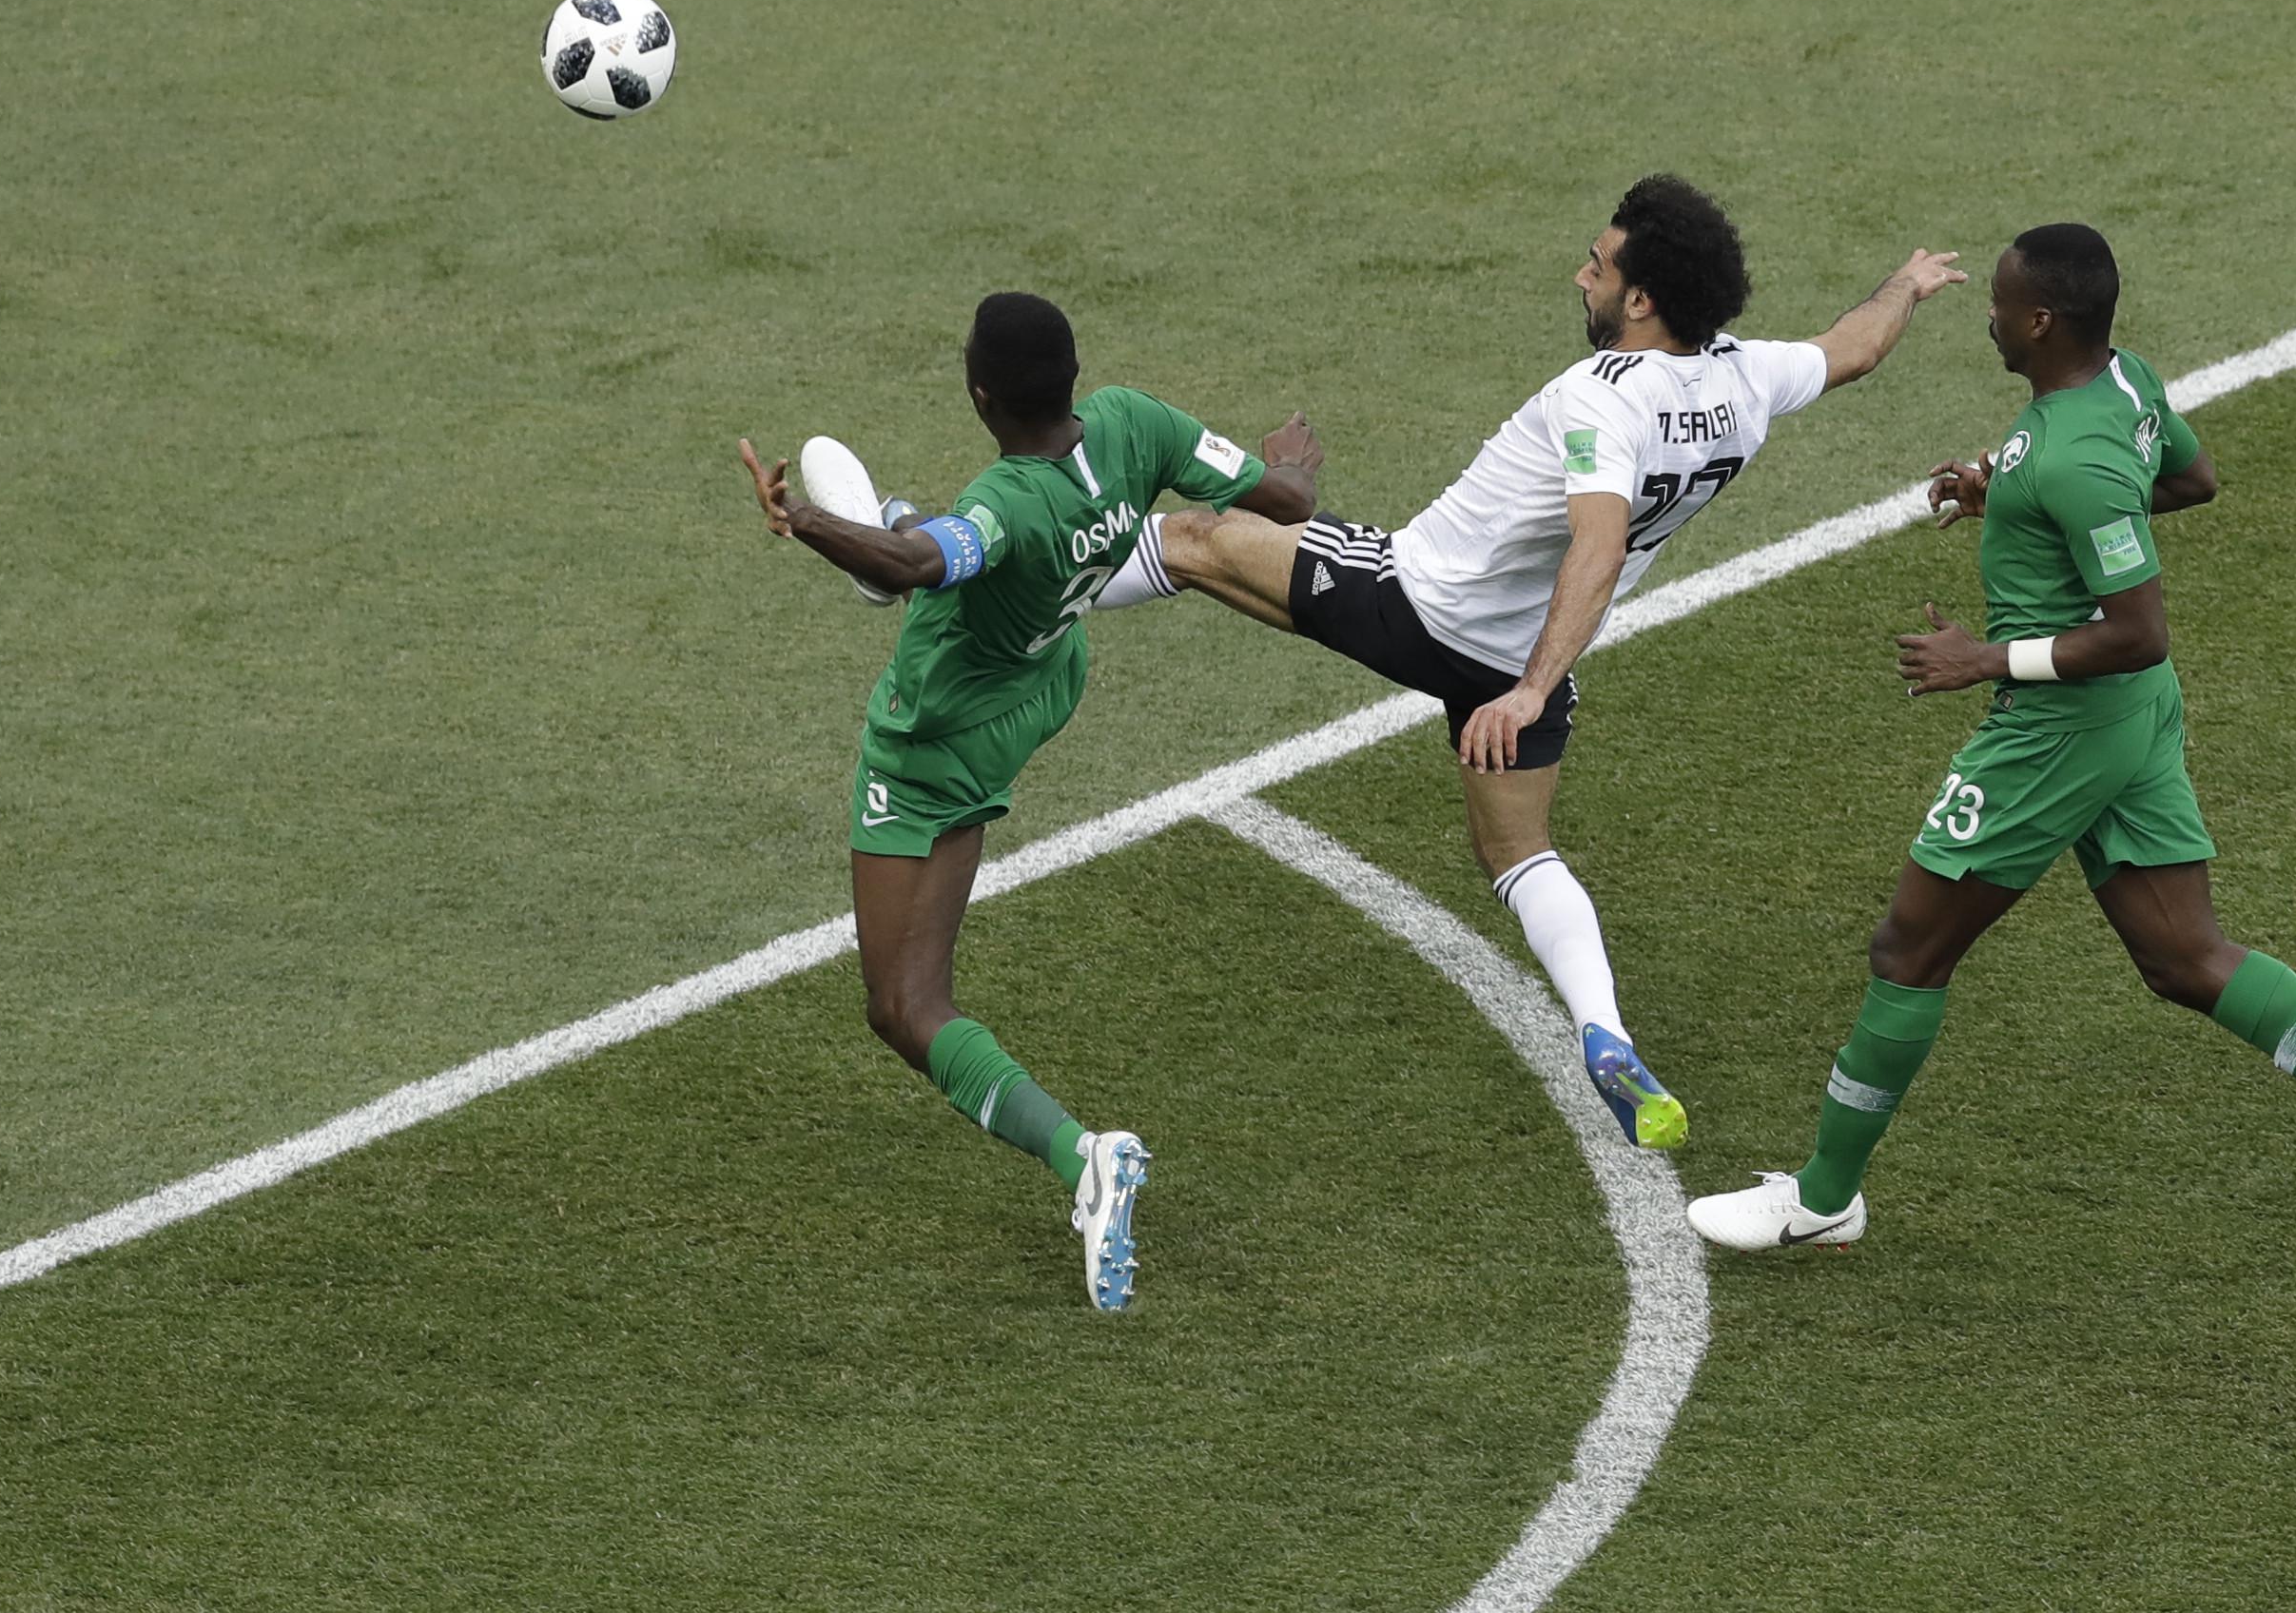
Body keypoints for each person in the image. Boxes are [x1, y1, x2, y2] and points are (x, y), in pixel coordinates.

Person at [1108, 176, 1966, 1150]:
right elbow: (1851, 346)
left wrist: (1521, 690)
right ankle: (1606, 1032)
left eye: (1597, 266)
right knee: (1517, 852)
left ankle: (968, 566)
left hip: (1419, 604)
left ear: (1639, 299)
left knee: (1193, 537)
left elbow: (1595, 545)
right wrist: (1904, 284)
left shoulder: (1596, 399)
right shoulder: (1739, 379)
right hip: (1523, 660)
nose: (1580, 274)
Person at [1685, 223, 2296, 1253]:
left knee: (1908, 947)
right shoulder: (2118, 384)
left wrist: (1986, 658)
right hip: (2129, 717)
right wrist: (1999, 489)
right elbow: (2191, 480)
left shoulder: (2071, 456)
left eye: (1999, 303)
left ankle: (1823, 1195)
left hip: (2058, 728)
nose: (1988, 316)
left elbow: (2133, 626)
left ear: (2037, 320)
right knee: (2182, 956)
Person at [741, 290, 1318, 1311]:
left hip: (933, 738)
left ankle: (1082, 1154)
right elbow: (1279, 500)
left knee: (903, 1005)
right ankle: (1081, 1157)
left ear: (978, 395)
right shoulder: (1135, 421)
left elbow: (925, 564)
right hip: (1035, 691)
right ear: (1073, 375)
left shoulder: (1003, 503)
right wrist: (1289, 465)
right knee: (952, 550)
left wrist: (805, 521)